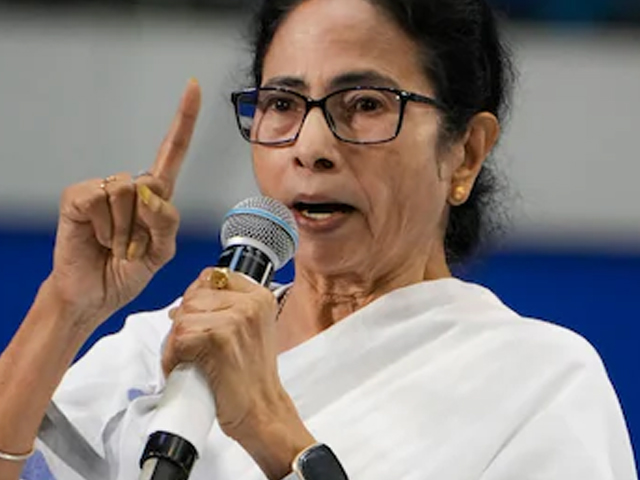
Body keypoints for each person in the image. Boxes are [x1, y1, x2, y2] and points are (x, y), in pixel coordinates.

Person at [0, 0, 636, 478]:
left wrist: (272, 431)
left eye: (365, 104)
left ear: (465, 152)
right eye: (282, 103)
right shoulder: (160, 350)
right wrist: (66, 308)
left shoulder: (537, 383)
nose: (310, 147)